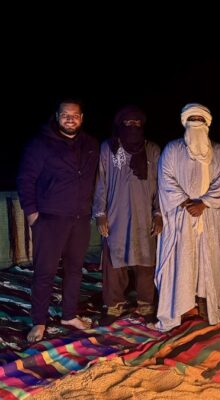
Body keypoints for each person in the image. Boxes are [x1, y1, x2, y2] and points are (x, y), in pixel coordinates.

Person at [17, 98, 99, 342]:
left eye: (75, 115)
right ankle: (39, 321)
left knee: (75, 269)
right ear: (56, 116)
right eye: (65, 115)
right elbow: (25, 179)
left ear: (82, 118)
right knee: (45, 272)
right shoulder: (40, 144)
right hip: (50, 219)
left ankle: (69, 315)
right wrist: (32, 214)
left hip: (80, 219)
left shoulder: (91, 144)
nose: (70, 119)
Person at [153, 103, 220, 331]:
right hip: (181, 216)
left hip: (209, 217)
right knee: (181, 263)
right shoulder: (172, 149)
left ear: (207, 123)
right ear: (185, 122)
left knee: (210, 262)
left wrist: (204, 203)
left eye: (200, 119)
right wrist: (186, 203)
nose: (196, 123)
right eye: (192, 119)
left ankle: (206, 305)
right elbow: (165, 178)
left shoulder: (218, 151)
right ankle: (181, 308)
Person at [93, 105, 162, 324]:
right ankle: (114, 305)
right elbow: (101, 182)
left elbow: (161, 186)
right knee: (115, 260)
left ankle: (146, 303)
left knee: (146, 260)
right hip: (116, 214)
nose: (133, 127)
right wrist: (100, 213)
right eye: (128, 123)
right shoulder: (109, 148)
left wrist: (159, 213)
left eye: (137, 123)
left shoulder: (152, 150)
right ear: (119, 125)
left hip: (144, 214)